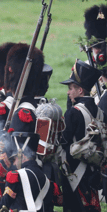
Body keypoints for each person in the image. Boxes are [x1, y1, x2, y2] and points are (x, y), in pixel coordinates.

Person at [60, 59, 105, 212]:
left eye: (71, 88)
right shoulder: (100, 112)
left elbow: (63, 141)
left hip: (74, 173)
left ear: (80, 91)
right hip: (93, 173)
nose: (68, 92)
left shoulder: (74, 112)